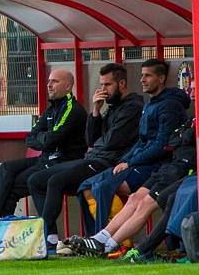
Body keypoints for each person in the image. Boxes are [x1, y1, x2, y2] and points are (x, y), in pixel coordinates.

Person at [0, 70, 87, 244]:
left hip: (62, 162)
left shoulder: (72, 109)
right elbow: (30, 137)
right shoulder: (51, 109)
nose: (49, 85)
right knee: (6, 168)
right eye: (48, 81)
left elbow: (52, 139)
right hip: (46, 159)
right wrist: (44, 138)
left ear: (68, 86)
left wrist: (44, 138)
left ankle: (41, 235)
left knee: (17, 186)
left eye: (54, 81)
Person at [27, 63, 143, 250]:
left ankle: (42, 237)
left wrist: (96, 145)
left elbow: (112, 141)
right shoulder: (111, 107)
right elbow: (91, 139)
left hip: (107, 163)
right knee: (36, 180)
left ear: (122, 84)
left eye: (107, 85)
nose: (103, 90)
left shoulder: (133, 107)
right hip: (92, 159)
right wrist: (96, 112)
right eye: (101, 85)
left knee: (56, 181)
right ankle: (50, 236)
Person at [77, 59, 190, 233]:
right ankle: (93, 237)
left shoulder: (169, 105)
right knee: (85, 186)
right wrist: (126, 159)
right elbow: (140, 140)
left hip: (157, 165)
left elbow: (161, 145)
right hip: (135, 161)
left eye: (148, 75)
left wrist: (130, 162)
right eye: (142, 75)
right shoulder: (149, 104)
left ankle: (108, 240)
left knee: (102, 187)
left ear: (161, 79)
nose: (142, 79)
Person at [69, 113, 195, 257]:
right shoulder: (191, 119)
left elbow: (166, 143)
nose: (191, 91)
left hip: (183, 169)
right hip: (170, 166)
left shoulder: (171, 105)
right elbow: (171, 140)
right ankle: (100, 238)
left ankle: (108, 246)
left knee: (145, 204)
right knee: (134, 198)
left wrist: (182, 137)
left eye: (193, 89)